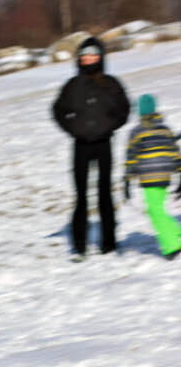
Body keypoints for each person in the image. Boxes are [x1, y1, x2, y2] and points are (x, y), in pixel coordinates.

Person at [53, 36, 131, 257]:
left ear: (100, 58)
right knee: (81, 196)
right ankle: (79, 246)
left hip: (104, 143)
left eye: (93, 56)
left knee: (105, 193)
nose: (88, 60)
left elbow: (124, 109)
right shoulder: (72, 86)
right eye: (85, 57)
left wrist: (110, 125)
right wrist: (72, 128)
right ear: (80, 60)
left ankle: (109, 244)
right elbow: (58, 110)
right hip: (81, 145)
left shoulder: (111, 84)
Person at [122, 93, 181, 259]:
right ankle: (175, 231)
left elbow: (131, 157)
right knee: (156, 209)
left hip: (149, 176)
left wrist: (127, 180)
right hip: (165, 175)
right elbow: (175, 153)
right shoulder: (165, 129)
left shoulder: (136, 132)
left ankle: (172, 245)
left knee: (155, 210)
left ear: (140, 111)